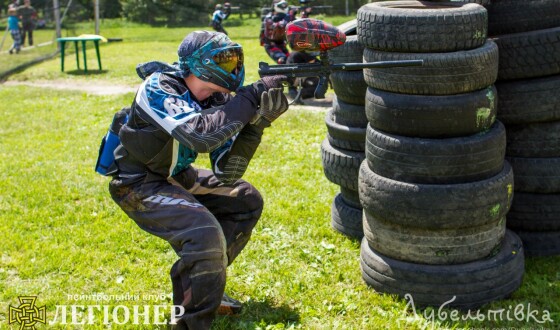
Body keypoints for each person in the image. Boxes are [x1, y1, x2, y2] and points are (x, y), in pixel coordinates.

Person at [104, 31, 288, 329]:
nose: (234, 67)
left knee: (245, 201)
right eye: (225, 60)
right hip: (136, 183)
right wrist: (250, 97)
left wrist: (258, 123)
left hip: (175, 175)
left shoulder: (218, 99)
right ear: (200, 63)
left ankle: (202, 286)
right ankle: (190, 323)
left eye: (235, 59)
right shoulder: (159, 86)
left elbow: (227, 172)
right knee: (204, 234)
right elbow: (200, 134)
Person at [260, 0, 294, 64]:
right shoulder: (268, 18)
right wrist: (286, 18)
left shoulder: (285, 16)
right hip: (271, 44)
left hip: (281, 44)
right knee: (282, 60)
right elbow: (277, 26)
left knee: (291, 60)